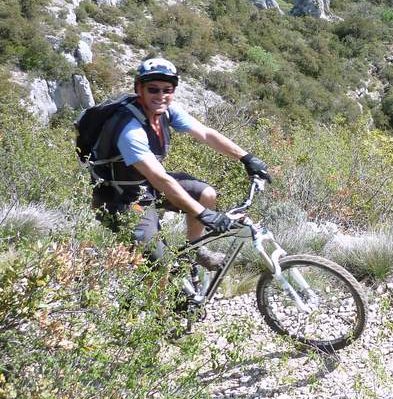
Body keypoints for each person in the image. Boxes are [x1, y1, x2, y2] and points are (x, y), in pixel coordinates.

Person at [91, 57, 272, 268]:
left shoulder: (166, 112)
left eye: (167, 89)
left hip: (147, 186)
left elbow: (205, 133)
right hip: (123, 198)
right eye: (153, 89)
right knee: (158, 264)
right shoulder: (129, 129)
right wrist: (203, 214)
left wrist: (247, 158)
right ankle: (161, 298)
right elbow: (161, 179)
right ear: (139, 89)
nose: (161, 95)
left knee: (206, 194)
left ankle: (195, 250)